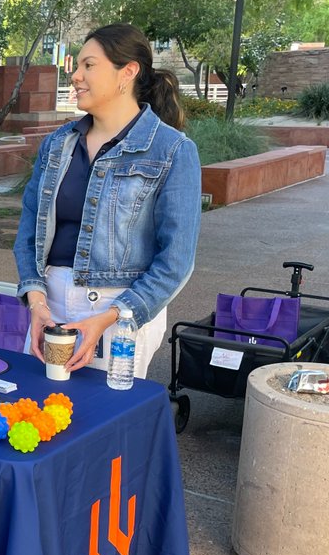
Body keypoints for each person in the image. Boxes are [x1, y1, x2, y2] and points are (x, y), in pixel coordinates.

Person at [14, 23, 201, 378]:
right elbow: (28, 231)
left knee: (101, 419)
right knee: (37, 412)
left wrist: (110, 318)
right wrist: (36, 301)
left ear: (127, 72)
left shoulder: (173, 151)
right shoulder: (57, 145)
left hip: (121, 312)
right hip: (49, 305)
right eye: (77, 66)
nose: (76, 75)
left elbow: (175, 262)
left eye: (88, 65)